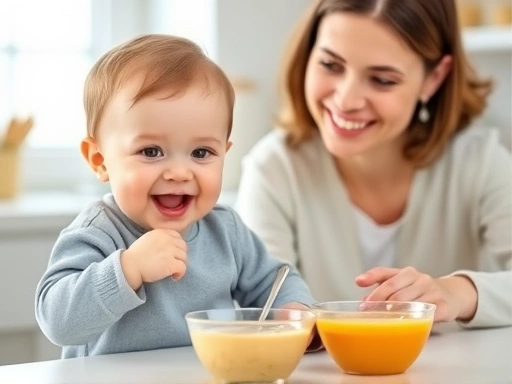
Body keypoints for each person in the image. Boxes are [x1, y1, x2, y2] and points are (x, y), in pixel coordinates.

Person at [35, 34, 316, 358]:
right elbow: (57, 322)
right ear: (99, 159)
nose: (180, 172)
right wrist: (128, 270)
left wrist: (293, 311)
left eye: (201, 152)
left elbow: (276, 279)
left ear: (225, 153)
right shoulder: (98, 232)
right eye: (151, 151)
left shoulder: (225, 230)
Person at [236, 0, 512, 328]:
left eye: (382, 80)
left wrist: (456, 292)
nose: (346, 100)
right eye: (330, 64)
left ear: (434, 78)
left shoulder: (478, 161)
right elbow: (263, 305)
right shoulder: (274, 169)